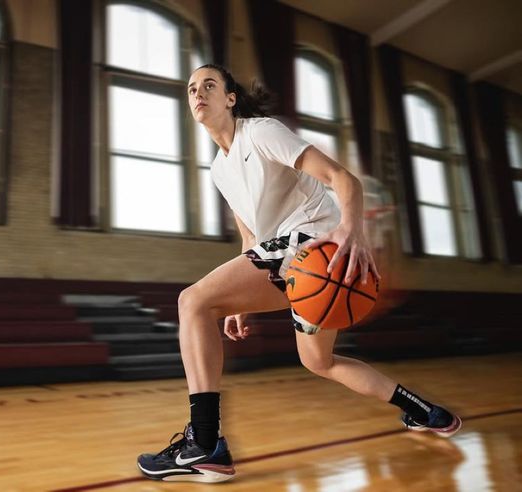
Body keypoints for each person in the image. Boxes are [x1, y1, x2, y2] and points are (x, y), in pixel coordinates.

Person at [136, 64, 462, 483]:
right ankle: (422, 410)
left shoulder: (262, 132)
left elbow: (342, 179)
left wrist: (350, 229)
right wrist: (239, 304)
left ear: (230, 98)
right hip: (296, 265)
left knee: (192, 300)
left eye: (209, 85)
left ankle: (204, 443)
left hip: (313, 245)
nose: (198, 93)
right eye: (191, 88)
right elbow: (252, 235)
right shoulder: (220, 169)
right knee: (319, 361)